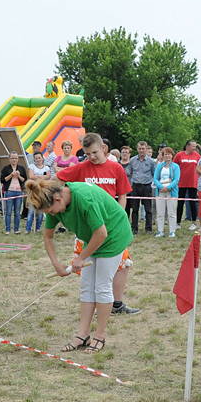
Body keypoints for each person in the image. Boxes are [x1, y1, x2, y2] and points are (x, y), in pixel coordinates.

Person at [26, 177, 133, 354]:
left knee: (102, 287)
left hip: (114, 235)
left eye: (51, 211)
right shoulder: (53, 204)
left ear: (58, 198)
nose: (52, 214)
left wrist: (81, 258)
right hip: (92, 237)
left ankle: (100, 336)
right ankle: (82, 335)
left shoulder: (84, 199)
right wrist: (56, 264)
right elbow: (48, 236)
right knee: (86, 287)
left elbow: (101, 233)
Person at [57, 133, 139, 316]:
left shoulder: (116, 168)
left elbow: (122, 195)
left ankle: (117, 304)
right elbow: (59, 179)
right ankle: (93, 304)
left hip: (112, 226)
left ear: (103, 148)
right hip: (89, 228)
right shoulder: (81, 168)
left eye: (94, 152)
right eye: (87, 154)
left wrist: (119, 217)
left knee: (123, 264)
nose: (91, 157)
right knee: (89, 268)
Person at [127, 141, 155, 234]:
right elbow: (130, 173)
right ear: (137, 149)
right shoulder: (132, 160)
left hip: (147, 187)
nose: (141, 150)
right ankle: (134, 229)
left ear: (146, 149)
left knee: (148, 209)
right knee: (135, 209)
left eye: (143, 149)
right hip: (135, 186)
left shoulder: (151, 161)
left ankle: (148, 229)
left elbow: (154, 173)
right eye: (140, 148)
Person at [153, 146, 180, 237]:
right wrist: (161, 187)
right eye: (165, 154)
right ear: (163, 155)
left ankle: (172, 231)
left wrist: (168, 187)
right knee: (160, 212)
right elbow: (155, 178)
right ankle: (160, 231)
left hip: (171, 192)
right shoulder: (159, 166)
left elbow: (176, 179)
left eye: (169, 154)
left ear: (172, 155)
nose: (167, 156)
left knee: (171, 212)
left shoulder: (176, 166)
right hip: (160, 191)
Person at [174, 140, 200, 228]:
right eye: (193, 146)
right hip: (181, 182)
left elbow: (200, 167)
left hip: (193, 182)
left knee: (193, 202)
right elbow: (174, 167)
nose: (195, 148)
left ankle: (194, 222)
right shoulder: (179, 155)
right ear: (187, 146)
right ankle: (177, 222)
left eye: (195, 146)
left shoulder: (197, 156)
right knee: (180, 203)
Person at [0, 152, 27, 235]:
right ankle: (7, 229)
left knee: (17, 212)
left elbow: (24, 180)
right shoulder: (6, 168)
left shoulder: (21, 168)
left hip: (19, 192)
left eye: (15, 158)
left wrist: (19, 176)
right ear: (9, 159)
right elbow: (2, 180)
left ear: (18, 159)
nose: (14, 160)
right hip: (9, 192)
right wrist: (11, 175)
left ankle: (16, 229)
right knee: (8, 212)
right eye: (12, 158)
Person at [26, 152, 51, 233]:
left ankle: (38, 228)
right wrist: (42, 177)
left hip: (42, 192)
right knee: (31, 211)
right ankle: (28, 229)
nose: (38, 159)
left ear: (42, 158)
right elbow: (31, 176)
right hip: (33, 192)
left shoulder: (46, 168)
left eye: (39, 158)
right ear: (34, 159)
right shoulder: (31, 166)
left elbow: (48, 176)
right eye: (36, 158)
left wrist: (37, 176)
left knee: (40, 212)